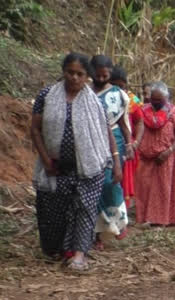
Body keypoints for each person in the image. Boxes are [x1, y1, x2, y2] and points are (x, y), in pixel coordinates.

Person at [30, 52, 120, 271]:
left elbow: (105, 130)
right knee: (53, 211)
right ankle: (59, 249)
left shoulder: (94, 102)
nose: (74, 78)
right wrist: (45, 159)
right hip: (56, 167)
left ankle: (79, 255)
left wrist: (116, 160)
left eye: (80, 74)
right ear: (63, 72)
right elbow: (35, 129)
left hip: (90, 167)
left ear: (87, 77)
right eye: (70, 72)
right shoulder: (47, 95)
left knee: (85, 208)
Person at [134, 81, 175, 227]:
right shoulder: (143, 110)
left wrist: (168, 152)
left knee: (162, 189)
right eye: (153, 99)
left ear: (166, 98)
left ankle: (161, 220)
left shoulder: (173, 112)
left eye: (159, 99)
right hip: (145, 158)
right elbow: (136, 128)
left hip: (165, 158)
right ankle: (145, 218)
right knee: (144, 187)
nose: (156, 102)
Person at [90, 55, 131, 245]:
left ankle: (117, 223)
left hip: (114, 140)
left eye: (104, 75)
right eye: (97, 75)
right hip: (89, 141)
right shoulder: (84, 92)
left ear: (109, 74)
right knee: (92, 185)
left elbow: (123, 123)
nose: (100, 79)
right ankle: (97, 233)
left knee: (110, 181)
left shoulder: (118, 95)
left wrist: (129, 144)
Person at [109, 66, 142, 209]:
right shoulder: (103, 97)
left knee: (124, 178)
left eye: (121, 86)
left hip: (126, 145)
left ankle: (122, 212)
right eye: (114, 85)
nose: (118, 89)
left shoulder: (132, 100)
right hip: (107, 144)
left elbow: (140, 122)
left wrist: (135, 143)